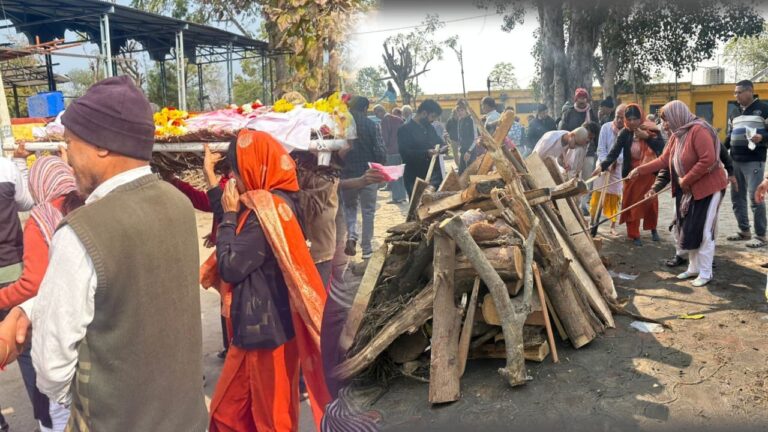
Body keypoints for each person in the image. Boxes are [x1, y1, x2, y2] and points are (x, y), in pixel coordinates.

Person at [0, 76, 208, 430]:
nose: (69, 161)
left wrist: (91, 405)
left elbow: (51, 369)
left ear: (101, 146)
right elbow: (128, 285)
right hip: (184, 418)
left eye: (69, 144)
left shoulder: (82, 232)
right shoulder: (178, 204)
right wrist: (29, 308)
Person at [206, 130, 331, 431]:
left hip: (265, 332)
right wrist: (213, 183)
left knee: (270, 418)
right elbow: (239, 233)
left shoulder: (267, 209)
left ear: (254, 166)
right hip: (262, 325)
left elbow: (231, 265)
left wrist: (227, 216)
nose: (233, 177)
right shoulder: (276, 201)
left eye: (236, 168)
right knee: (229, 413)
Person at [0, 155, 83, 431]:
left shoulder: (41, 219)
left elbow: (33, 283)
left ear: (39, 184)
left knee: (31, 356)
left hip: (43, 312)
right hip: (81, 316)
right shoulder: (87, 207)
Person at [632, 100, 728, 286]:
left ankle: (706, 273)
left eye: (666, 120)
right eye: (663, 121)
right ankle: (693, 268)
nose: (664, 125)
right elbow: (663, 160)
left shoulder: (698, 130)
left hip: (710, 188)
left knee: (705, 230)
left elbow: (708, 159)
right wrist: (640, 170)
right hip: (691, 190)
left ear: (677, 116)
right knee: (690, 228)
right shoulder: (678, 135)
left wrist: (686, 179)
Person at [159, 144, 233, 359]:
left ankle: (233, 348)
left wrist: (205, 175)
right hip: (225, 246)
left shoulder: (235, 182)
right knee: (224, 299)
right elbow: (214, 206)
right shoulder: (231, 179)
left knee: (229, 298)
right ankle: (229, 346)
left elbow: (214, 205)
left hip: (231, 248)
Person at [593, 103, 665, 245]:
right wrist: (602, 166)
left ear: (641, 118)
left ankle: (653, 228)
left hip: (648, 173)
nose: (632, 122)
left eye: (635, 119)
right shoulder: (624, 133)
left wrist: (647, 137)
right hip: (631, 174)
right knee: (632, 203)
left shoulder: (651, 130)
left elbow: (662, 149)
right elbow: (613, 152)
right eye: (629, 119)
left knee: (650, 203)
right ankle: (634, 234)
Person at [0, 145, 33, 432]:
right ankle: (48, 420)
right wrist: (20, 163)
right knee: (25, 346)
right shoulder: (5, 167)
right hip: (11, 270)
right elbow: (25, 202)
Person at [660, 141, 735, 267]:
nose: (666, 125)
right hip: (682, 189)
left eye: (667, 121)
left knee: (707, 225)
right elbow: (665, 166)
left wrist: (731, 172)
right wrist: (655, 188)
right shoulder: (673, 139)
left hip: (705, 188)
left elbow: (720, 156)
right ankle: (681, 253)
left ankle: (707, 258)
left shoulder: (703, 133)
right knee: (679, 220)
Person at [724, 80, 768, 248]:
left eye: (739, 92)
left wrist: (762, 138)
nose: (736, 96)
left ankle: (761, 235)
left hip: (754, 160)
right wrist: (719, 151)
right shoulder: (734, 112)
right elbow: (729, 137)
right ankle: (744, 231)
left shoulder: (764, 109)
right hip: (735, 159)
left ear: (750, 91)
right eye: (735, 93)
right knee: (736, 196)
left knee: (755, 196)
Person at [341, 96, 386, 260]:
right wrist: (380, 167)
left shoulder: (342, 124)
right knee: (368, 212)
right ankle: (367, 249)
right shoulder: (372, 125)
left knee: (350, 208)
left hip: (347, 175)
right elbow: (380, 150)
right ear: (365, 108)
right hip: (369, 174)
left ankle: (351, 236)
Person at [560, 88, 599, 213]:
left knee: (587, 177)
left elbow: (596, 131)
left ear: (587, 99)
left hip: (589, 150)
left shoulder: (591, 113)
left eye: (584, 97)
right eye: (580, 97)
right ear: (576, 99)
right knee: (572, 175)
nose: (582, 100)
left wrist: (596, 147)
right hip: (573, 149)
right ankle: (571, 203)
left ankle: (583, 205)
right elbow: (563, 129)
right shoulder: (568, 112)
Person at [591, 104, 627, 236]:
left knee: (615, 196)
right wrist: (605, 163)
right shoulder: (605, 127)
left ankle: (612, 225)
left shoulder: (628, 132)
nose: (619, 120)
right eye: (617, 117)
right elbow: (600, 148)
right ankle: (593, 221)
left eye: (622, 118)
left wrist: (616, 161)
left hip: (617, 168)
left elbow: (625, 152)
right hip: (602, 165)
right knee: (597, 195)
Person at [398, 99, 446, 196]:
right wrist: (426, 153)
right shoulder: (405, 129)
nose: (433, 120)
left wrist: (443, 147)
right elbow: (405, 153)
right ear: (424, 113)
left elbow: (438, 142)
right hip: (415, 178)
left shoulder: (429, 127)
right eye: (432, 117)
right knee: (417, 208)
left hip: (433, 177)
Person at [374, 105, 407, 203]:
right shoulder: (398, 119)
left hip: (391, 151)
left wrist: (383, 149)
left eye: (376, 113)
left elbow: (385, 138)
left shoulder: (385, 121)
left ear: (380, 111)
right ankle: (402, 196)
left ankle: (397, 197)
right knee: (400, 175)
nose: (376, 116)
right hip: (401, 150)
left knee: (393, 174)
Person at [446, 100, 477, 174]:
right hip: (463, 151)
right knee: (461, 174)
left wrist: (469, 151)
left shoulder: (471, 120)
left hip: (471, 151)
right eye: (458, 111)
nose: (460, 112)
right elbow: (460, 136)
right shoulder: (460, 121)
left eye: (462, 110)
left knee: (471, 175)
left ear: (466, 110)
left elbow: (476, 138)